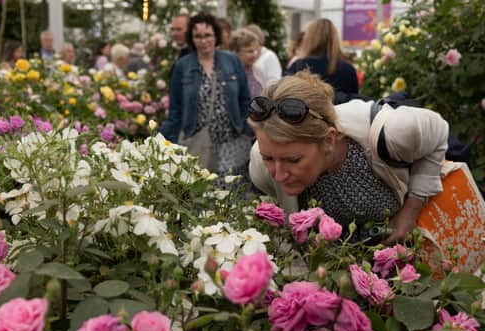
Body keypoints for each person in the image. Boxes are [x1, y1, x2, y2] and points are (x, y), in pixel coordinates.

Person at [248, 71, 449, 244]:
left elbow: (439, 130)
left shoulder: (395, 132)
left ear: (328, 140)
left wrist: (411, 210)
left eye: (293, 160)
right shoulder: (260, 167)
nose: (279, 175)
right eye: (269, 158)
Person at [160, 13, 252, 178]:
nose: (203, 41)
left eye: (208, 35)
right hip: (196, 140)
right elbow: (175, 109)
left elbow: (245, 100)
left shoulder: (232, 61)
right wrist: (170, 141)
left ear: (216, 36)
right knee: (201, 188)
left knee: (230, 191)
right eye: (198, 36)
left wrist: (246, 130)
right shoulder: (183, 66)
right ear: (191, 39)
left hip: (232, 140)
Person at [286, 19, 358, 98]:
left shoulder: (297, 66)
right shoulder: (348, 69)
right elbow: (354, 102)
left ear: (309, 38)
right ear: (335, 38)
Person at [229, 28, 264, 98]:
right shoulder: (228, 72)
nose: (255, 54)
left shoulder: (257, 71)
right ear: (236, 52)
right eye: (250, 51)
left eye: (255, 51)